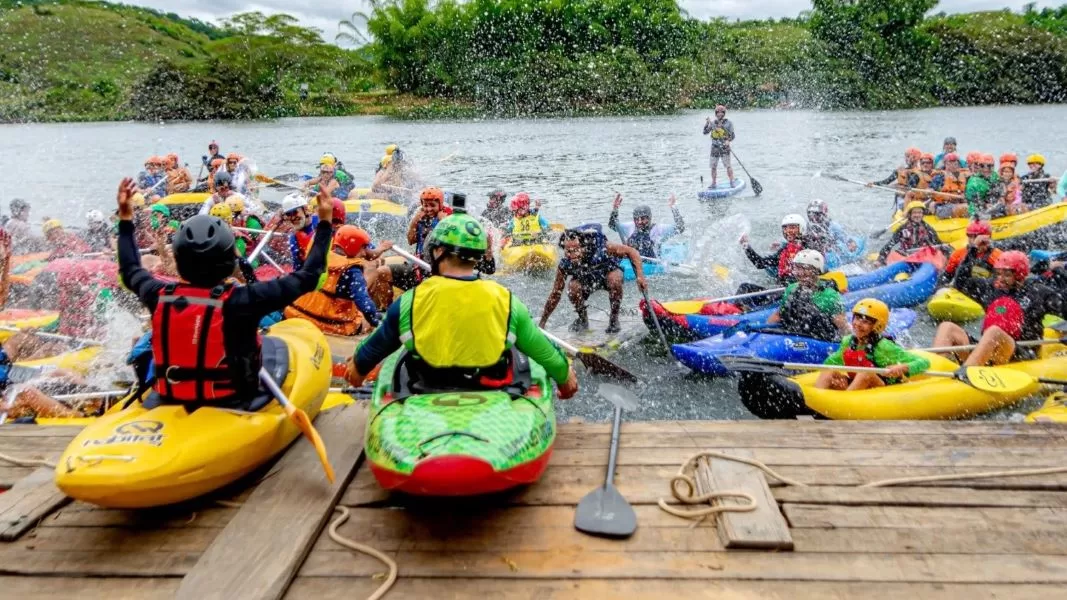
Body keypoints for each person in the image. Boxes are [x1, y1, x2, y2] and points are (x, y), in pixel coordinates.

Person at [115, 176, 334, 407]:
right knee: (274, 346)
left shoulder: (157, 294)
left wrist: (125, 220)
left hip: (170, 395)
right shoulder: (244, 300)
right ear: (230, 260)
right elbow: (312, 276)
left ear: (179, 262)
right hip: (232, 397)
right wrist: (325, 223)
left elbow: (128, 271)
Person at [344, 213, 578, 400]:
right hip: (492, 392)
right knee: (515, 351)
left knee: (405, 351)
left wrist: (356, 371)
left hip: (426, 389)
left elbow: (367, 355)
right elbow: (548, 355)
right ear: (476, 257)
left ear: (438, 251)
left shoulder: (409, 302)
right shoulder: (506, 300)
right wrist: (565, 380)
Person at [932, 251, 1065, 366]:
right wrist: (973, 252)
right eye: (998, 274)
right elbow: (960, 282)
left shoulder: (1038, 292)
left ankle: (966, 373)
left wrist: (1060, 272)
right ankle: (938, 366)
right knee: (947, 327)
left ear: (1019, 275)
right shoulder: (991, 289)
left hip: (1022, 354)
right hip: (988, 350)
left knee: (994, 332)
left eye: (1006, 275)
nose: (1000, 279)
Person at [540, 224, 647, 334]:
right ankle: (583, 320)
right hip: (586, 280)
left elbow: (631, 251)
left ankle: (614, 319)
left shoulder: (603, 247)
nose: (572, 255)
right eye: (568, 251)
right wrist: (542, 323)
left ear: (584, 247)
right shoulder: (565, 264)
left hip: (607, 273)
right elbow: (555, 294)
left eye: (576, 250)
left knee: (614, 279)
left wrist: (640, 276)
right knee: (572, 287)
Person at [284, 225, 383, 336]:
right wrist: (375, 322)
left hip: (297, 314)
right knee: (367, 321)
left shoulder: (319, 256)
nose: (365, 253)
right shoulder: (353, 271)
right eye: (363, 248)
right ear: (353, 246)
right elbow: (364, 304)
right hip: (328, 325)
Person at [815, 299, 931, 391]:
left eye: (865, 322)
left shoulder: (884, 347)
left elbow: (924, 362)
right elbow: (830, 363)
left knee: (866, 373)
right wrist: (840, 379)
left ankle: (846, 402)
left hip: (881, 388)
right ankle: (814, 402)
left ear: (877, 326)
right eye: (857, 319)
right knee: (829, 371)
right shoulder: (848, 342)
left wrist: (902, 367)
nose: (858, 324)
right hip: (856, 384)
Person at [765, 250, 849, 342]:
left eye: (805, 268)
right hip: (794, 336)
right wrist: (765, 336)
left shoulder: (829, 295)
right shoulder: (791, 289)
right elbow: (778, 315)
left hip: (818, 341)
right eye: (797, 268)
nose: (800, 273)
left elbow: (843, 327)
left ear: (816, 270)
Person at [607, 193, 685, 259]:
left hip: (652, 262)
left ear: (649, 218)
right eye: (637, 219)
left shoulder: (658, 229)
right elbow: (613, 225)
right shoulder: (630, 227)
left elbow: (680, 228)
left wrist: (674, 208)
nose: (640, 222)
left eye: (643, 218)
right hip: (633, 261)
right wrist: (615, 210)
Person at [740, 214, 808, 284]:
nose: (788, 231)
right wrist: (746, 246)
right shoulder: (785, 250)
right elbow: (759, 263)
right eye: (785, 228)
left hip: (798, 291)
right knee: (745, 286)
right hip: (785, 290)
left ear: (802, 228)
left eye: (792, 228)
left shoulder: (809, 247)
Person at [877, 201, 942, 264]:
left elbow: (937, 242)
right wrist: (881, 258)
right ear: (909, 214)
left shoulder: (927, 228)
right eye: (914, 213)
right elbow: (891, 243)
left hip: (922, 256)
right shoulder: (903, 229)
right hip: (906, 255)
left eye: (919, 212)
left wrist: (944, 251)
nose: (917, 215)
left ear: (922, 214)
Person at [941, 221, 1001, 287]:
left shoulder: (997, 256)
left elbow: (998, 284)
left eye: (976, 237)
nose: (973, 241)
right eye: (970, 236)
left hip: (982, 291)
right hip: (960, 290)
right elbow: (946, 277)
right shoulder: (958, 254)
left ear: (987, 239)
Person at [279, 193, 317, 270]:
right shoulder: (294, 238)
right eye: (288, 214)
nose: (292, 217)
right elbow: (298, 268)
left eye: (294, 212)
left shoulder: (322, 225)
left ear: (306, 210)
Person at [703, 105, 735, 188]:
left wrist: (728, 141)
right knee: (713, 166)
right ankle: (713, 183)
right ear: (716, 113)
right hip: (714, 147)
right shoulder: (713, 123)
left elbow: (732, 135)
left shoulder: (728, 123)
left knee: (728, 165)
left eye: (721, 112)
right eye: (718, 112)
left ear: (724, 113)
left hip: (724, 147)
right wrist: (706, 124)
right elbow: (705, 132)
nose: (720, 114)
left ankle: (731, 181)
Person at [931, 153, 970, 219]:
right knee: (967, 208)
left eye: (955, 163)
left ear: (958, 164)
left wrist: (965, 196)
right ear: (945, 164)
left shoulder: (964, 176)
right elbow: (932, 190)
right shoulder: (940, 177)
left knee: (972, 206)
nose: (953, 165)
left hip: (959, 204)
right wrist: (930, 190)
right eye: (950, 163)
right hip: (943, 207)